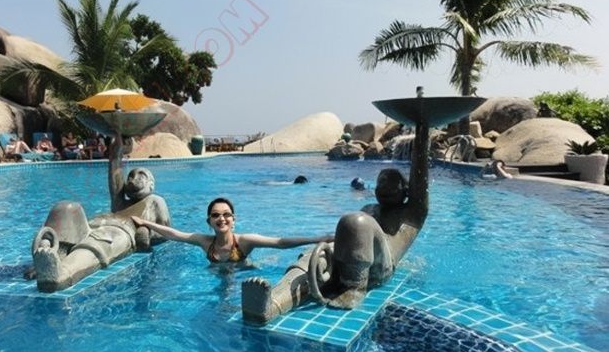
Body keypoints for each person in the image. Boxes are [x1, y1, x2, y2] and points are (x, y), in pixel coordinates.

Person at [242, 117, 431, 323]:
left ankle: (354, 287)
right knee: (315, 259)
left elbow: (420, 182)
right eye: (380, 183)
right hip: (352, 259)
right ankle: (271, 306)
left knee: (356, 221)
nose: (384, 187)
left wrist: (422, 130)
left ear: (406, 190)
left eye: (391, 184)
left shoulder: (412, 212)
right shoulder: (370, 208)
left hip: (380, 267)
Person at [30, 131, 171, 292]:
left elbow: (165, 231)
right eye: (131, 175)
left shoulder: (155, 201)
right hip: (92, 224)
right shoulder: (120, 202)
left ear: (151, 184)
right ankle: (51, 254)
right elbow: (115, 174)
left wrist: (147, 232)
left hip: (118, 230)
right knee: (65, 208)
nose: (134, 178)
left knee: (96, 242)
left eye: (141, 175)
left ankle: (62, 274)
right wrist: (117, 149)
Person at [132, 197, 333, 264]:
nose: (222, 218)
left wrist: (318, 239)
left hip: (242, 271)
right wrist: (146, 223)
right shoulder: (204, 241)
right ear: (209, 221)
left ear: (233, 220)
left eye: (226, 214)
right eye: (216, 215)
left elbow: (279, 242)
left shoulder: (245, 241)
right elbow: (175, 234)